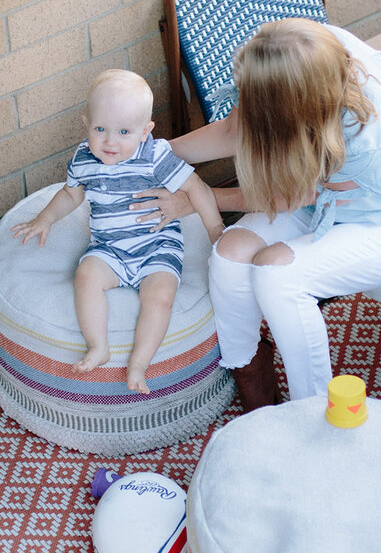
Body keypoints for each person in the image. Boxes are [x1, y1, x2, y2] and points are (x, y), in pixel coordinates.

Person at [130, 18, 381, 409]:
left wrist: (200, 197)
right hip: (324, 200)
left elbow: (288, 195)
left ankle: (312, 409)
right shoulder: (299, 47)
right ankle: (251, 370)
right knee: (229, 254)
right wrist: (142, 157)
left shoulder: (367, 139)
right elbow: (234, 129)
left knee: (277, 274)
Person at [11, 69, 224, 394]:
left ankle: (139, 361)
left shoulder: (154, 156)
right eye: (100, 129)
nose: (110, 141)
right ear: (87, 124)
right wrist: (45, 219)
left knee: (160, 296)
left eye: (124, 131)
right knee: (86, 276)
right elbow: (71, 194)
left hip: (156, 245)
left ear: (144, 132)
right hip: (109, 248)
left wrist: (215, 228)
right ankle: (99, 345)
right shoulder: (84, 158)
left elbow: (197, 188)